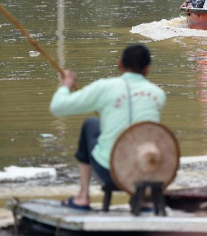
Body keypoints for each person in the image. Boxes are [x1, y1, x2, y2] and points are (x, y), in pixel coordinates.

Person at [50, 44, 166, 210]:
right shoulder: (158, 95)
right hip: (144, 174)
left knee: (91, 124)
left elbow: (58, 107)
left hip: (111, 173)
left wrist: (66, 85)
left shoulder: (104, 87)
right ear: (147, 69)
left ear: (120, 64)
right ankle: (143, 197)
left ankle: (83, 196)